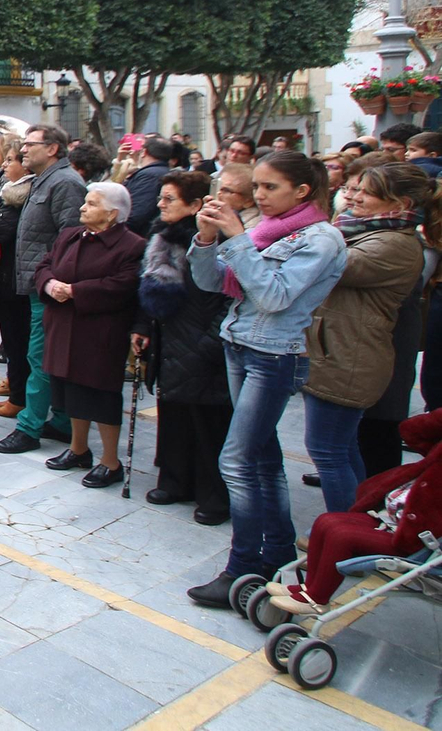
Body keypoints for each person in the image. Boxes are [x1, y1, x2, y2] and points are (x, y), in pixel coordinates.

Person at [184, 151, 347, 608]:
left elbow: (274, 297)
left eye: (269, 187)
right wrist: (206, 237)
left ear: (302, 191)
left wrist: (237, 238)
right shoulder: (265, 229)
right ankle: (275, 551)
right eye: (255, 186)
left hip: (274, 354)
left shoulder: (322, 238)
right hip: (240, 343)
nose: (259, 196)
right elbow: (214, 281)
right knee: (262, 460)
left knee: (236, 462)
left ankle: (242, 565)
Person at [301, 162, 434, 514]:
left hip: (349, 358)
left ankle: (345, 526)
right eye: (354, 189)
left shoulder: (396, 245)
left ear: (400, 204)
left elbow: (326, 263)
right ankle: (357, 521)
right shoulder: (365, 230)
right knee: (340, 449)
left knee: (328, 452)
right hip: (339, 353)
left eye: (367, 192)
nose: (354, 197)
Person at [269, 408, 442, 617]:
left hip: (419, 540)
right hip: (397, 518)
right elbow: (411, 431)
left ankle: (317, 598)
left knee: (341, 536)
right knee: (325, 521)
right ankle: (309, 589)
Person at [31, 183, 146, 487]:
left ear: (112, 214)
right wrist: (49, 284)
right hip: (62, 326)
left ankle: (110, 462)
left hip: (98, 333)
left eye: (92, 204)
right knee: (68, 393)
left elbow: (122, 285)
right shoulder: (70, 235)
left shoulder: (132, 245)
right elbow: (44, 265)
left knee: (101, 395)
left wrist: (75, 291)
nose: (83, 208)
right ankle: (78, 449)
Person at [132, 170, 231, 524]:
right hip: (169, 337)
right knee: (172, 413)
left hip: (202, 340)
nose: (160, 204)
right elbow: (149, 286)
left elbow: (227, 298)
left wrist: (210, 343)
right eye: (161, 197)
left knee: (208, 422)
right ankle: (175, 481)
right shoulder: (161, 234)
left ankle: (213, 495)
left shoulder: (212, 241)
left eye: (169, 199)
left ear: (195, 204)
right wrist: (143, 326)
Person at [0, 125, 86, 456]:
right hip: (37, 285)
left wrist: (50, 279)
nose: (22, 151)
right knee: (45, 355)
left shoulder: (65, 183)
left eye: (30, 145)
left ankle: (30, 426)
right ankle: (60, 421)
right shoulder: (44, 180)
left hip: (49, 287)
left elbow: (71, 240)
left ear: (52, 149)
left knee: (39, 356)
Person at [0, 146, 33, 416]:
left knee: (18, 340)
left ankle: (19, 396)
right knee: (12, 340)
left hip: (15, 279)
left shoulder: (21, 196)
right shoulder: (8, 192)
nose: (4, 165)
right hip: (6, 276)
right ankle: (15, 387)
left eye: (11, 160)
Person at [122, 136, 174, 236]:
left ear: (144, 152)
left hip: (140, 236)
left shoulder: (149, 175)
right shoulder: (161, 172)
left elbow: (137, 213)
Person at [215, 162, 261, 230]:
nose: (218, 193)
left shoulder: (253, 228)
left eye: (226, 190)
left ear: (249, 201)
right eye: (217, 187)